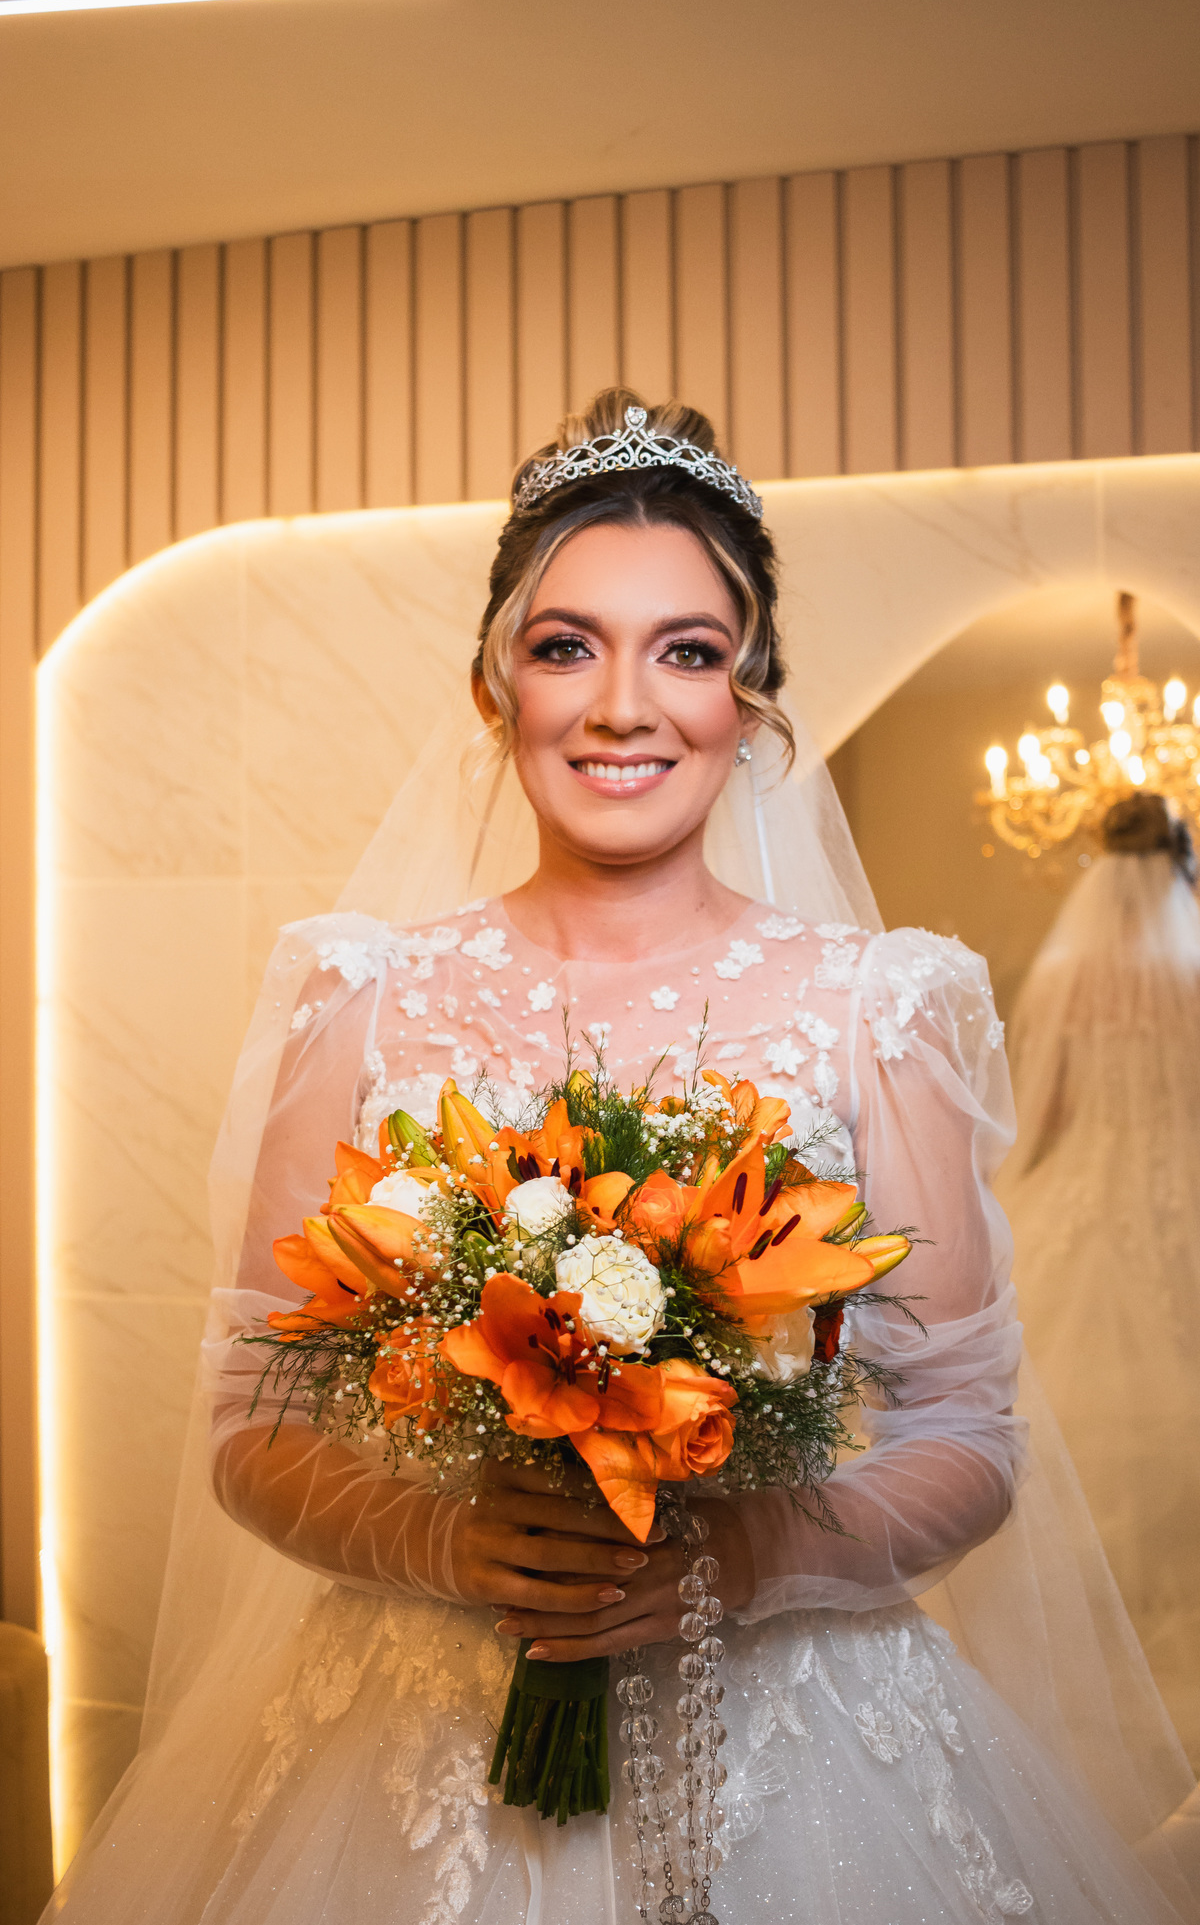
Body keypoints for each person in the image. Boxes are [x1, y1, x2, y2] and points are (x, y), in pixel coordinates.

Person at [44, 393, 1198, 1924]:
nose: (622, 707)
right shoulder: (358, 994)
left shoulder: (882, 1007)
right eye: (566, 646)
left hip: (787, 1738)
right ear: (494, 687)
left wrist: (743, 1555)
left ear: (753, 697)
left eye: (688, 651)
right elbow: (256, 1418)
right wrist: (447, 1538)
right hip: (410, 1747)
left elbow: (966, 1434)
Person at [1000, 792, 1200, 1769]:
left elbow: (1043, 1114)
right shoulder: (1194, 972)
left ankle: (1092, 1612)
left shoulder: (1067, 974)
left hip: (1084, 1183)